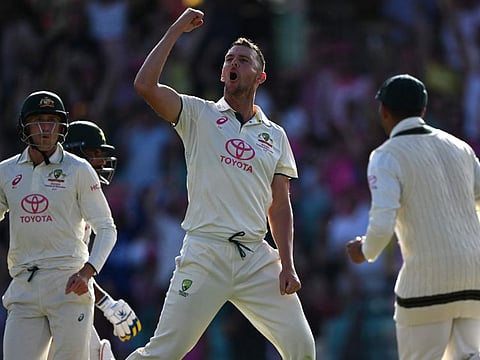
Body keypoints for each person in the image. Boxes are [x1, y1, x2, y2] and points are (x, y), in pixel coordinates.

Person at [127, 7, 315, 360]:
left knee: (302, 348)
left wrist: (287, 265)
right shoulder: (198, 114)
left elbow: (280, 204)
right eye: (229, 59)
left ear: (260, 77)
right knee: (162, 353)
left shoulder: (274, 135)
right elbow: (144, 85)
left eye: (243, 60)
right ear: (222, 72)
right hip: (205, 251)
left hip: (256, 256)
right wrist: (175, 30)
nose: (233, 63)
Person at [346, 74, 480, 360]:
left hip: (425, 283)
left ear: (383, 112)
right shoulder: (461, 148)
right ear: (423, 111)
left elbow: (383, 223)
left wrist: (365, 251)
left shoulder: (386, 155)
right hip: (473, 278)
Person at [0, 90, 117, 360]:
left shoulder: (78, 169)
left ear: (61, 126)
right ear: (24, 126)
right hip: (23, 285)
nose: (45, 128)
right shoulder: (7, 172)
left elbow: (107, 228)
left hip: (68, 284)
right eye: (38, 120)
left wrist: (88, 272)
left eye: (52, 121)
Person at [61, 119, 142, 359]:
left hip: (62, 301)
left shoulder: (84, 196)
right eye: (94, 153)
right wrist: (107, 304)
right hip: (46, 304)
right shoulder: (63, 199)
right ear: (74, 153)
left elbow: (74, 271)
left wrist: (107, 303)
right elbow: (62, 270)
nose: (100, 161)